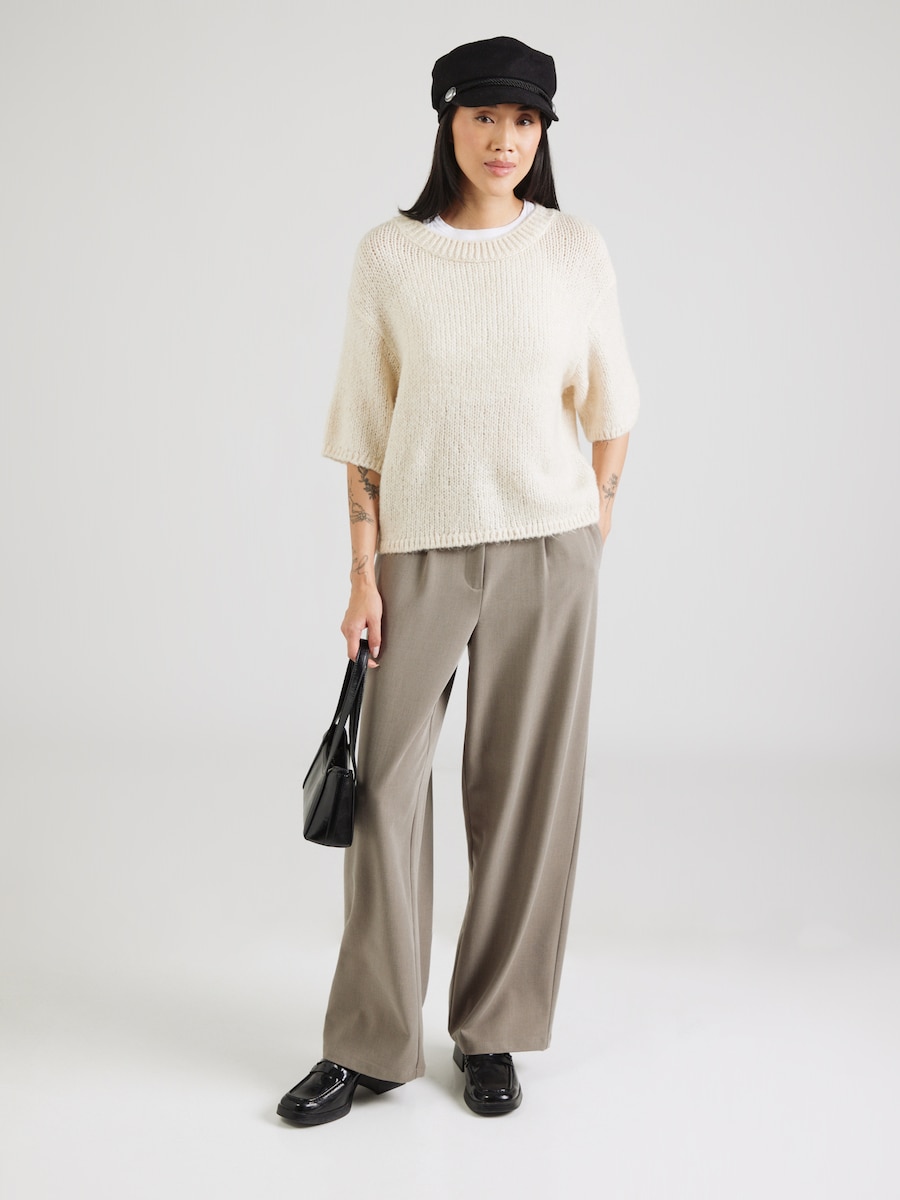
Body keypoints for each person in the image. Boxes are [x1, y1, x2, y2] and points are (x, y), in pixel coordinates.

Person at [278, 34, 639, 1125]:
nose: (504, 139)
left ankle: (494, 1032)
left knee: (524, 799)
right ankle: (369, 1044)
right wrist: (361, 573)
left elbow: (613, 409)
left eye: (525, 120)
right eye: (485, 115)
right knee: (385, 792)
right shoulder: (390, 256)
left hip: (549, 553)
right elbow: (363, 428)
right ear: (447, 120)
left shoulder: (574, 249)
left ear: (543, 135)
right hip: (418, 554)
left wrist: (589, 532)